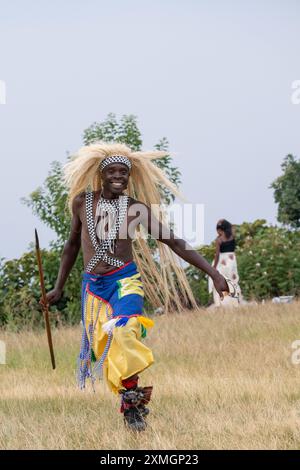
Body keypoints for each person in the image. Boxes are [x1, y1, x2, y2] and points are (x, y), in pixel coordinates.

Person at [44, 142, 229, 432]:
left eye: (124, 172)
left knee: (125, 329)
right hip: (93, 288)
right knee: (106, 347)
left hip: (125, 280)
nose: (118, 176)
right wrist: (58, 287)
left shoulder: (135, 210)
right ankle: (130, 396)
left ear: (129, 177)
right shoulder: (82, 203)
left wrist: (214, 273)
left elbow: (175, 242)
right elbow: (70, 246)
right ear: (101, 174)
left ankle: (132, 406)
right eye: (112, 171)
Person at [209, 219, 242, 307]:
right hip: (232, 262)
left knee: (218, 281)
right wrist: (224, 222)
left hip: (222, 262)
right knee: (233, 281)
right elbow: (232, 226)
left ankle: (220, 303)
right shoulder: (232, 236)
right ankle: (235, 302)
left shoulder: (219, 240)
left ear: (220, 230)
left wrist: (214, 267)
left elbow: (217, 255)